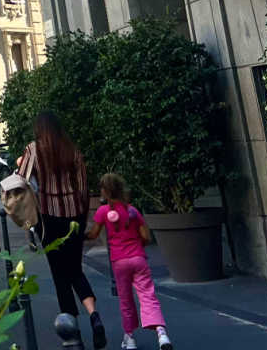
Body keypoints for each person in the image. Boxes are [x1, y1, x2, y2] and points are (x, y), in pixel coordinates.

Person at [19, 111, 106, 349]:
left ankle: (72, 331)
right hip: (74, 216)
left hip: (48, 218)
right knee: (75, 269)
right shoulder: (72, 150)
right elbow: (83, 187)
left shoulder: (33, 150)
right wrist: (82, 215)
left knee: (59, 274)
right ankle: (94, 315)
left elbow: (21, 180)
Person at [87, 174, 172, 350]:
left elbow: (93, 234)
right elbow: (146, 237)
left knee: (126, 300)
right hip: (138, 259)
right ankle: (162, 334)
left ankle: (130, 338)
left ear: (104, 191)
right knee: (148, 295)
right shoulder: (133, 211)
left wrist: (79, 235)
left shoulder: (103, 212)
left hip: (119, 262)